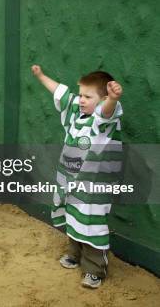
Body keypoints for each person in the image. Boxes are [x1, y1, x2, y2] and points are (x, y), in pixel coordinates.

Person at [32, 65, 123, 289]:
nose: (81, 100)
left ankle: (94, 270)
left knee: (91, 223)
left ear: (101, 100)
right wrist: (41, 76)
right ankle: (74, 254)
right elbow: (61, 94)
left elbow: (107, 111)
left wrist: (112, 99)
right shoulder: (77, 113)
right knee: (73, 217)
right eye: (81, 94)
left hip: (93, 188)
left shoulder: (103, 122)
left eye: (87, 96)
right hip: (71, 182)